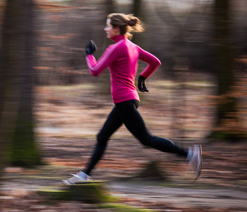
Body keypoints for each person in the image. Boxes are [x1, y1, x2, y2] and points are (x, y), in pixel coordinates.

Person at [63, 13, 202, 185]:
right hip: (129, 99)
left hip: (124, 101)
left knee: (146, 139)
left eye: (107, 26)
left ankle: (189, 154)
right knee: (102, 137)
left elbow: (95, 71)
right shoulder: (132, 46)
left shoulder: (115, 48)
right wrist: (143, 77)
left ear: (116, 28)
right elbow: (155, 62)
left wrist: (89, 55)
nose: (105, 29)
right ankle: (84, 175)